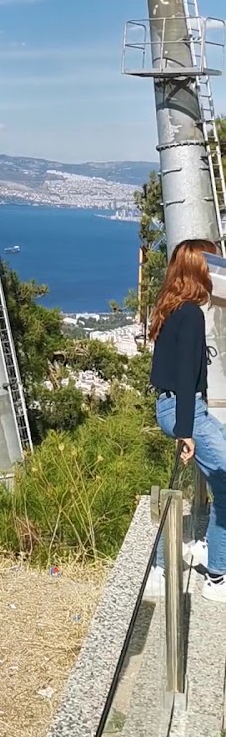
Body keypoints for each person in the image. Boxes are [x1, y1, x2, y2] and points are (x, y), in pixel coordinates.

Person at [150, 238, 226, 602]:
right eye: (211, 262)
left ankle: (203, 552)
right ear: (199, 267)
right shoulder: (191, 314)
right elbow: (183, 375)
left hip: (178, 408)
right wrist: (186, 431)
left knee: (223, 483)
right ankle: (216, 575)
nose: (216, 268)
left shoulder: (172, 309)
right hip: (184, 410)